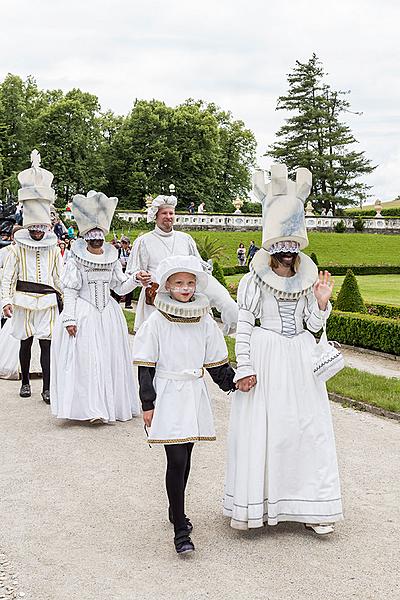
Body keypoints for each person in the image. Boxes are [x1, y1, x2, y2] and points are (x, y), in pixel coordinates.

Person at [224, 164, 343, 535]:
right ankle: (257, 506)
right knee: (267, 431)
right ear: (271, 246)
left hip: (301, 361)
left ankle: (311, 505)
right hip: (267, 355)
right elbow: (244, 325)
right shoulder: (253, 280)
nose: (288, 254)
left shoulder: (309, 279)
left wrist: (322, 304)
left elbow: (312, 326)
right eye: (281, 247)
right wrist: (243, 366)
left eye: (293, 246)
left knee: (307, 430)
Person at [133, 255, 236, 555]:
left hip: (192, 393)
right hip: (166, 393)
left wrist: (234, 382)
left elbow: (216, 361)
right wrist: (147, 403)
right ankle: (180, 528)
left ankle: (173, 507)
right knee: (176, 460)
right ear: (167, 285)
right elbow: (145, 366)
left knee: (186, 457)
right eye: (179, 283)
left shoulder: (203, 319)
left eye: (190, 282)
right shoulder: (156, 321)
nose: (186, 288)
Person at [50, 191, 140, 424]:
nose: (97, 243)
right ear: (86, 239)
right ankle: (90, 407)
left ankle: (107, 405)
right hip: (85, 312)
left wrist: (137, 279)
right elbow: (69, 290)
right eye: (93, 239)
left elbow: (120, 288)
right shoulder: (76, 258)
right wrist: (69, 318)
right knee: (88, 359)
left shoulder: (112, 258)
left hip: (108, 314)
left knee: (108, 359)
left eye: (100, 239)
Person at [126, 194, 238, 333]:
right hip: (158, 299)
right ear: (156, 215)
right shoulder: (144, 241)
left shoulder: (185, 238)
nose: (168, 216)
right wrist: (140, 276)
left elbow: (198, 266)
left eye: (171, 213)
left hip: (185, 296)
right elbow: (133, 271)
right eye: (164, 213)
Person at [1, 150, 62, 403]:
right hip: (22, 301)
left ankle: (47, 387)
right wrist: (5, 300)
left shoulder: (54, 249)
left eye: (40, 228)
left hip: (47, 303)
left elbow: (59, 278)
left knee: (46, 346)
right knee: (25, 343)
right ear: (28, 227)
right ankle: (25, 381)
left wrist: (66, 301)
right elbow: (8, 277)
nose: (37, 233)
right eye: (33, 228)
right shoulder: (16, 248)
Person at [118, 236, 133, 309]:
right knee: (119, 284)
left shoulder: (131, 251)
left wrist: (130, 254)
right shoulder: (119, 251)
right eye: (123, 243)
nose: (124, 245)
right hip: (121, 270)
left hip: (129, 270)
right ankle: (117, 301)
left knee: (130, 286)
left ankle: (128, 303)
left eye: (126, 243)